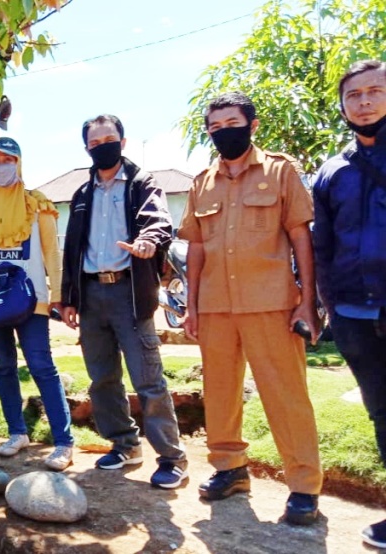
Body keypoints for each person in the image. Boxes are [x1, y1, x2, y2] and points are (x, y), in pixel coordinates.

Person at [179, 92, 322, 525]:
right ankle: (230, 469)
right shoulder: (202, 182)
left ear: (252, 125)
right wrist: (193, 306)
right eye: (216, 127)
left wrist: (308, 302)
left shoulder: (280, 171)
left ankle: (303, 486)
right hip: (217, 306)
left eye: (232, 123)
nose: (224, 132)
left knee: (286, 395)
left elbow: (301, 238)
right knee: (220, 394)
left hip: (271, 304)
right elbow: (197, 248)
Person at [60, 115, 188, 488]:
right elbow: (71, 249)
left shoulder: (141, 183)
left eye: (109, 139)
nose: (103, 146)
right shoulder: (82, 195)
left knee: (148, 380)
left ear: (123, 142)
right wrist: (69, 297)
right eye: (95, 142)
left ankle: (172, 458)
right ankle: (125, 445)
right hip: (90, 295)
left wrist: (148, 243)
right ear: (87, 147)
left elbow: (157, 221)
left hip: (129, 294)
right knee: (102, 379)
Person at [0, 137, 74, 471]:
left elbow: (51, 253)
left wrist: (59, 297)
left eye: (6, 159)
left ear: (18, 162)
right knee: (3, 366)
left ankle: (63, 442)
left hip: (31, 299)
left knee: (41, 366)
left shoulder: (38, 204)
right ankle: (17, 432)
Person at [313, 59, 386, 546]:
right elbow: (322, 246)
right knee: (381, 411)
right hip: (355, 316)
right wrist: (327, 304)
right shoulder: (332, 171)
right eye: (354, 95)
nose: (364, 103)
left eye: (375, 91)